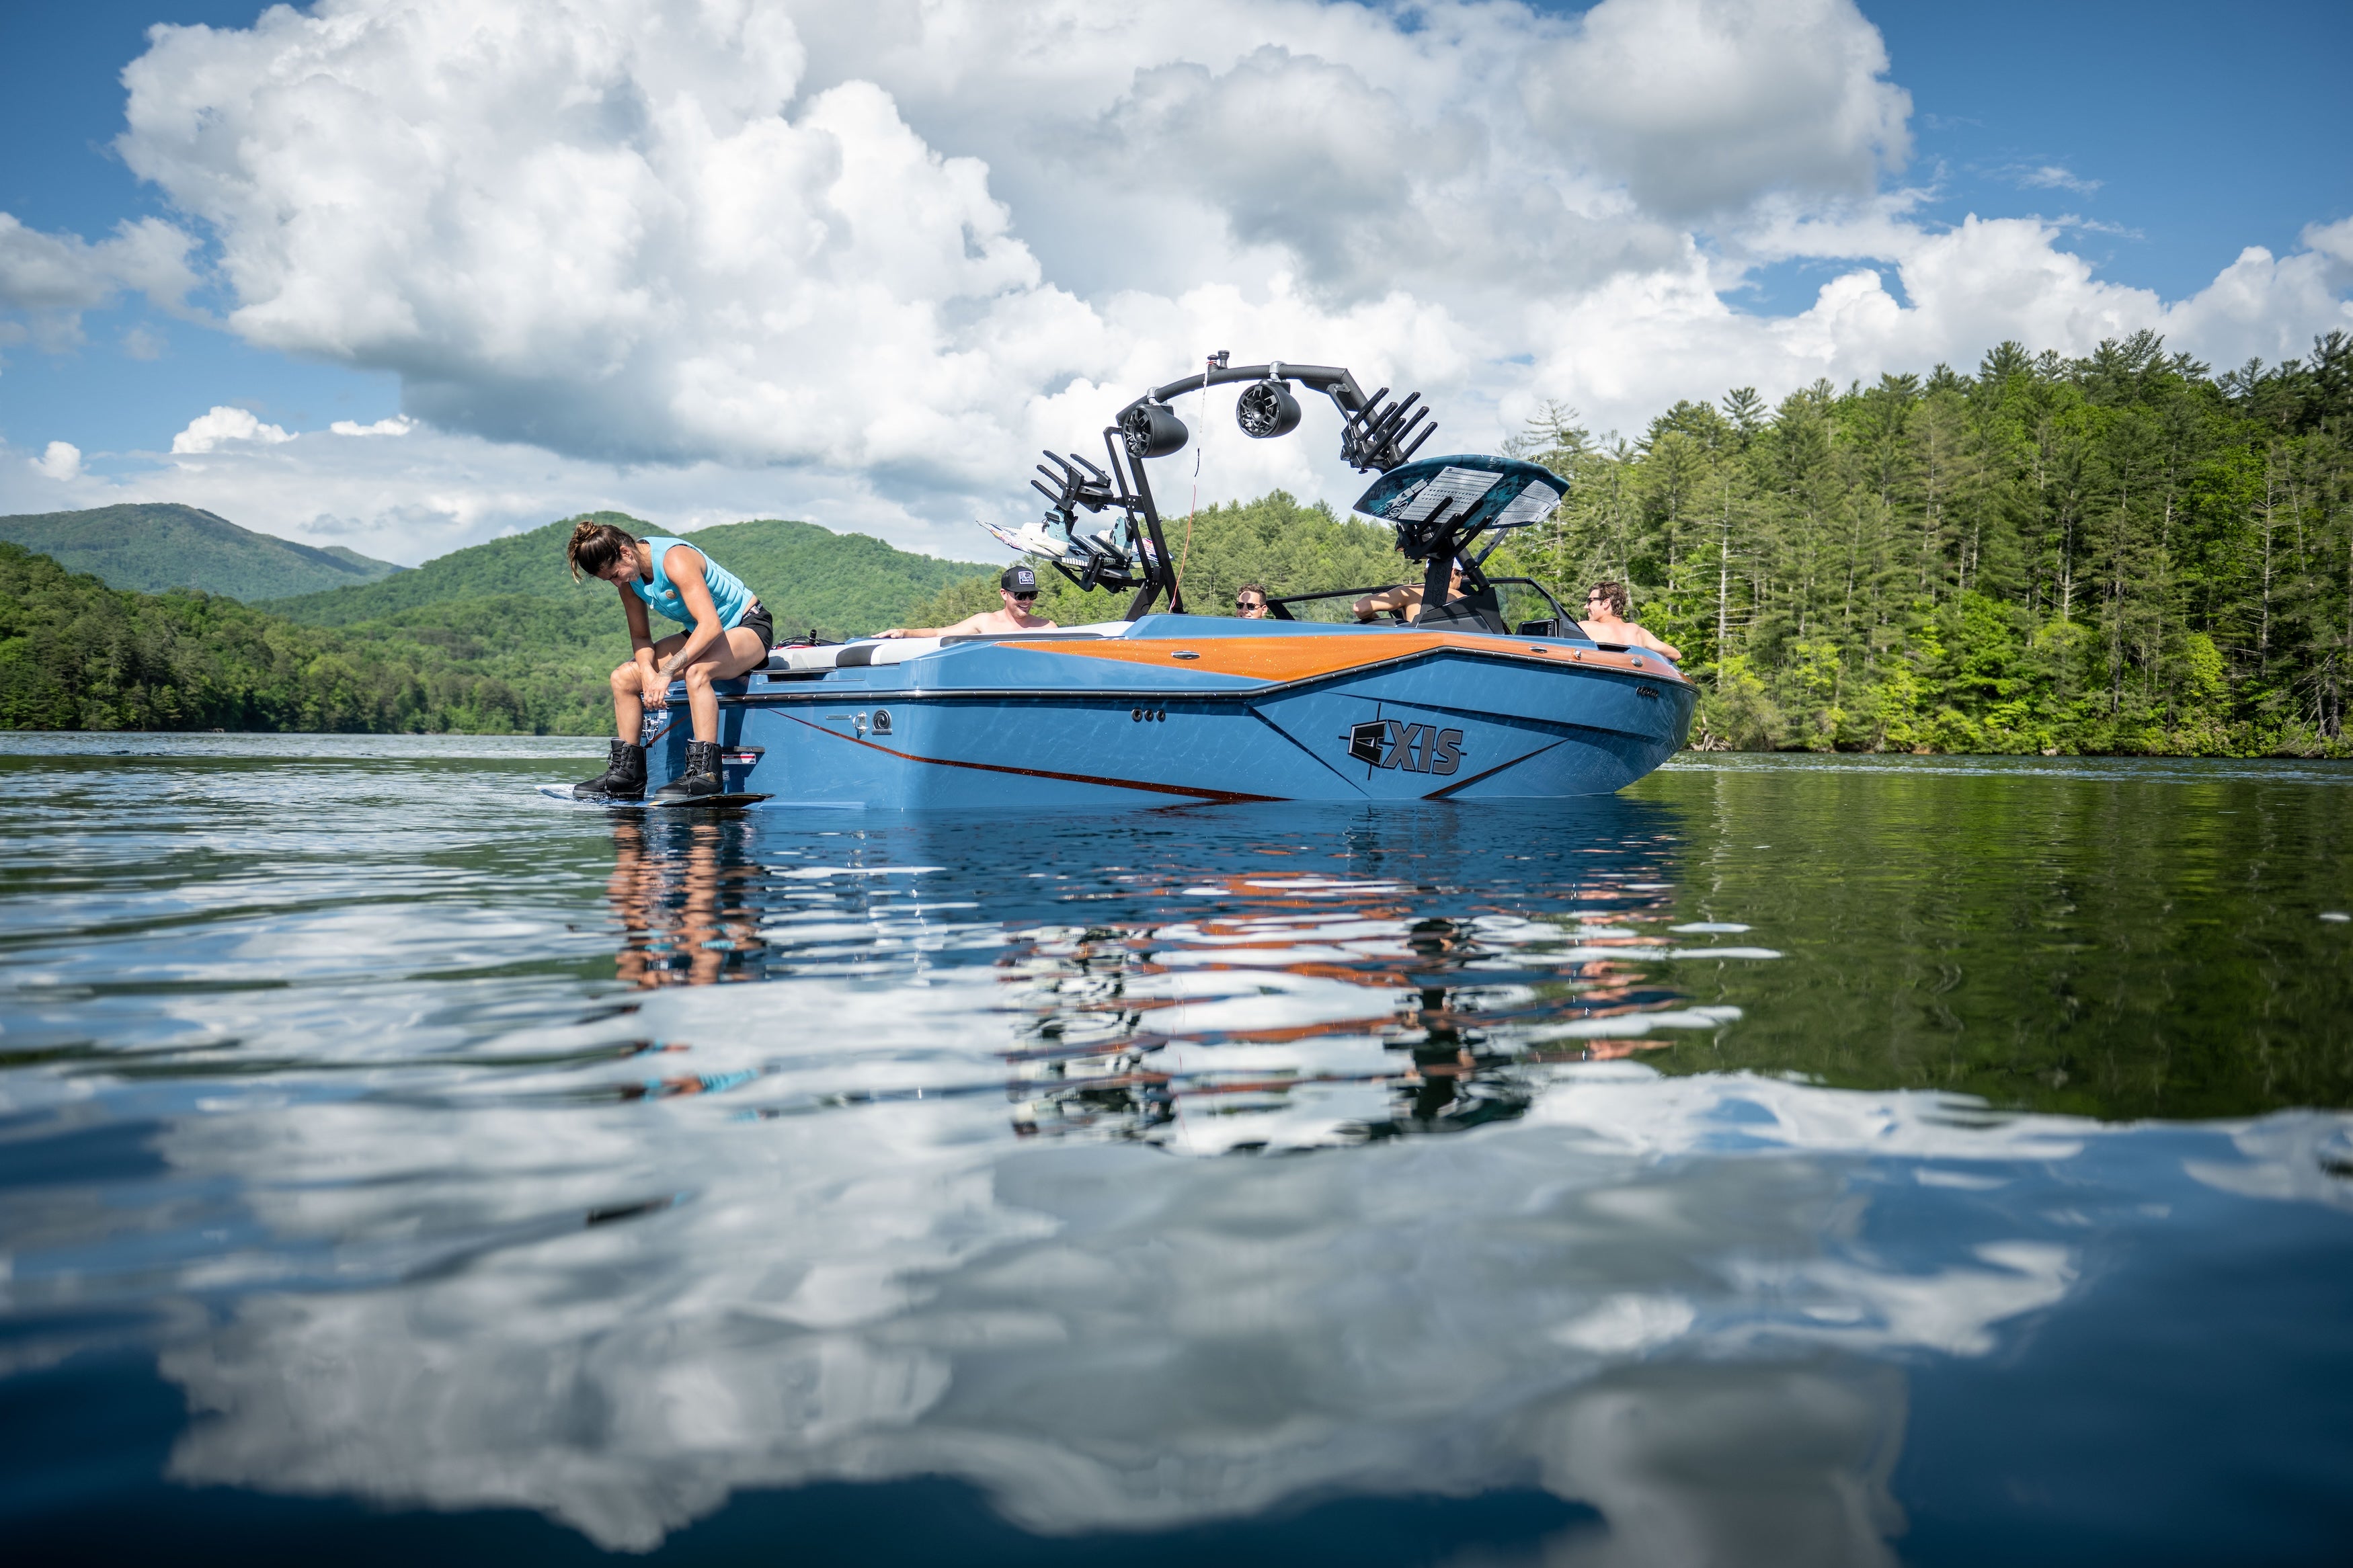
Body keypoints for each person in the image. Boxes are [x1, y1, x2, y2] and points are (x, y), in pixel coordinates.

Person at [566, 521, 774, 801]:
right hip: (701, 633)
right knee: (624, 678)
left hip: (748, 625)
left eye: (616, 574)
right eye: (610, 580)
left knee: (697, 673)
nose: (618, 583)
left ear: (626, 553)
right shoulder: (630, 581)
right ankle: (627, 775)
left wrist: (666, 672)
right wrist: (649, 674)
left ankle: (706, 774)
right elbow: (641, 637)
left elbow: (711, 625)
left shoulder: (675, 559)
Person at [879, 564, 1059, 638]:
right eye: (1020, 595)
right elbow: (938, 633)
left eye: (1031, 595)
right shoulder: (985, 622)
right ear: (1004, 594)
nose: (1026, 601)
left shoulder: (1048, 627)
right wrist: (905, 632)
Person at [1579, 579, 1681, 660]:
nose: (1585, 607)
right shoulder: (1639, 632)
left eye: (1590, 601)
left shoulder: (1588, 628)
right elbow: (1676, 655)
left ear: (1606, 603)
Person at [1353, 561, 1466, 623]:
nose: (1462, 578)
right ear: (1453, 572)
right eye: (1462, 574)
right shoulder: (1466, 599)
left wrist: (1378, 621)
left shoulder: (1411, 592)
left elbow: (1360, 608)